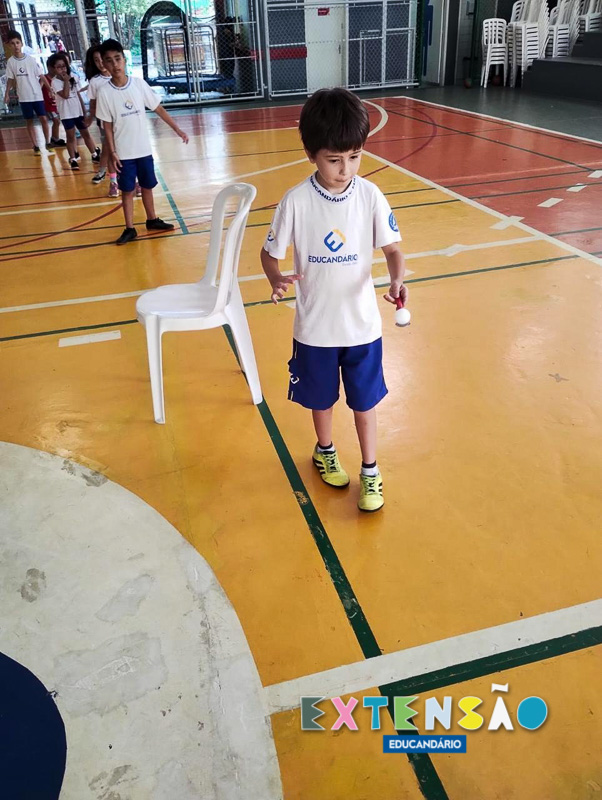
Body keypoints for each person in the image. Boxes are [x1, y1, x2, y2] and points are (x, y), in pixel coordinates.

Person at [260, 88, 407, 512]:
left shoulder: (370, 195)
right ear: (311, 154)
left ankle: (371, 470)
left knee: (364, 403)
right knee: (321, 401)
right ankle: (324, 450)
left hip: (362, 328)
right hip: (315, 330)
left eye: (355, 157)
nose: (346, 170)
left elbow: (393, 250)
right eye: (334, 159)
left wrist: (398, 279)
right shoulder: (296, 201)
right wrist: (276, 279)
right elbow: (269, 254)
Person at [96, 38, 189, 245]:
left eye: (118, 59)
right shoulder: (104, 92)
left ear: (124, 60)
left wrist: (177, 129)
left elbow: (158, 109)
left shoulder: (138, 84)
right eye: (109, 60)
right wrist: (113, 152)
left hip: (143, 150)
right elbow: (107, 126)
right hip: (124, 152)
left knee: (147, 186)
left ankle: (152, 219)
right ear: (104, 64)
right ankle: (130, 228)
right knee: (127, 190)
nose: (115, 64)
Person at [3, 29, 55, 155]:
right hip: (24, 97)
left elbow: (41, 76)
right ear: (9, 46)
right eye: (12, 43)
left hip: (36, 95)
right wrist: (7, 94)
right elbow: (10, 79)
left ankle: (48, 142)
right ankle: (35, 146)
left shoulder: (31, 60)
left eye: (17, 43)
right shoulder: (11, 62)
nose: (15, 46)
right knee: (29, 120)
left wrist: (50, 89)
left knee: (43, 118)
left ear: (21, 44)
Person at [49, 53, 100, 170]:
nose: (62, 69)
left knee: (85, 134)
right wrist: (66, 81)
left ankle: (94, 154)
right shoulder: (55, 82)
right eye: (59, 67)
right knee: (71, 136)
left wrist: (84, 111)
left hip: (78, 112)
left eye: (64, 66)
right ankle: (73, 159)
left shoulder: (74, 77)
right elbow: (65, 95)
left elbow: (77, 94)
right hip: (66, 114)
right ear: (54, 69)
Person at [83, 45, 117, 194]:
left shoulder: (119, 76)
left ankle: (132, 179)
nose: (100, 63)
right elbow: (93, 103)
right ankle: (113, 181)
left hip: (121, 120)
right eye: (96, 61)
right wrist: (90, 117)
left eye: (102, 59)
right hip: (104, 121)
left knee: (120, 149)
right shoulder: (95, 81)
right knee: (109, 148)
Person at [42, 55, 66, 147]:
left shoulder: (57, 79)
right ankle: (54, 139)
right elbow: (39, 87)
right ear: (50, 68)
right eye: (57, 67)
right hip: (47, 105)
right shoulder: (44, 78)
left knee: (57, 121)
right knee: (56, 120)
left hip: (55, 104)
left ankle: (55, 138)